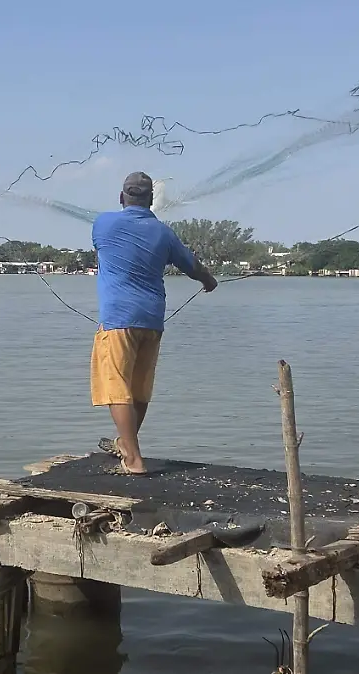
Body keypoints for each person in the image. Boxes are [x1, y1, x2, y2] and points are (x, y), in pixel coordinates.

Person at [91, 171, 217, 475]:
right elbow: (193, 266)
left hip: (118, 319)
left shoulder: (103, 224)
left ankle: (133, 459)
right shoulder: (164, 233)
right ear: (151, 200)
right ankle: (126, 444)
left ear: (122, 198)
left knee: (116, 385)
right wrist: (209, 281)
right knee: (139, 387)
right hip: (152, 320)